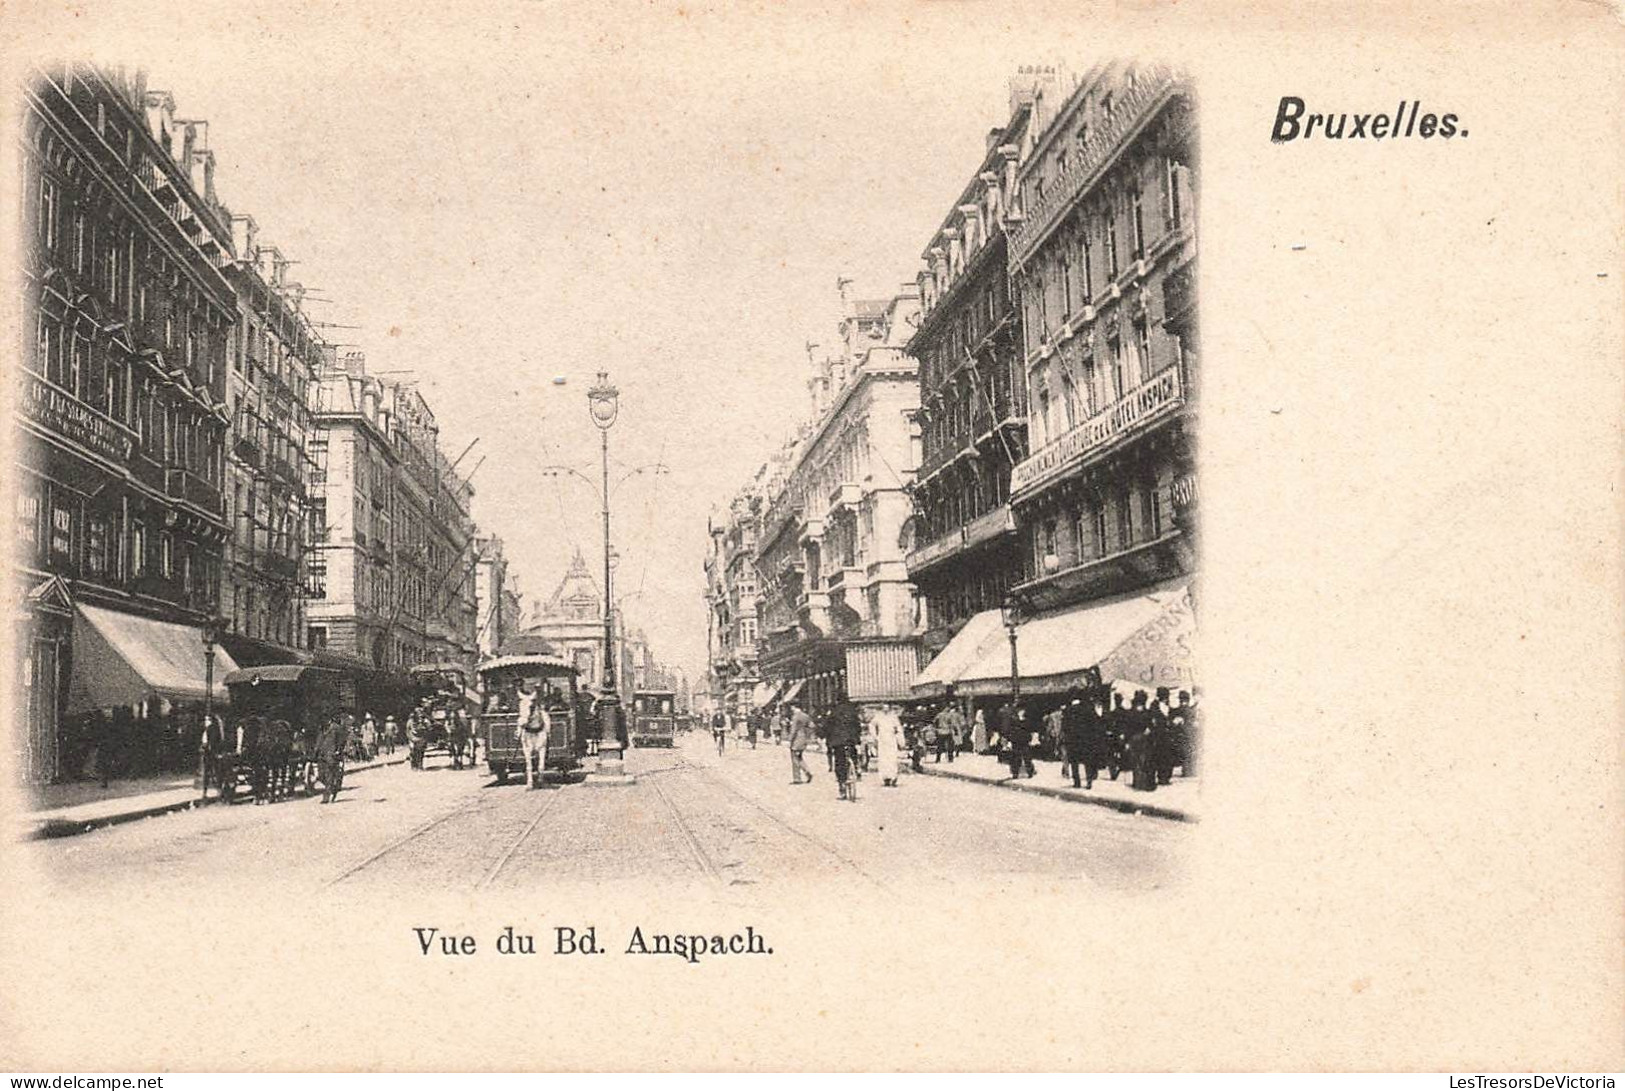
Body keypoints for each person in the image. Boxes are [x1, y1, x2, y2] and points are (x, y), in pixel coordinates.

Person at [827, 697, 863, 801]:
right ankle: (856, 769)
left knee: (839, 762)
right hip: (851, 740)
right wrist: (857, 740)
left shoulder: (834, 712)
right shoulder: (852, 712)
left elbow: (828, 727)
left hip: (838, 742)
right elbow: (857, 726)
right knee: (853, 754)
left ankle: (841, 785)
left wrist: (828, 740)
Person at [314, 714, 349, 804]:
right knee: (321, 776)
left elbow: (342, 740)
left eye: (324, 719)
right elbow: (318, 741)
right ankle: (333, 787)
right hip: (322, 755)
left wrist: (338, 750)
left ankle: (326, 797)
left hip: (332, 755)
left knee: (329, 775)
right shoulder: (322, 729)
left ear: (328, 719)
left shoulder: (336, 728)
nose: (323, 721)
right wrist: (316, 751)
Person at [1000, 700, 1034, 779]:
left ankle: (1029, 772)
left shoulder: (1026, 719)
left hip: (1025, 740)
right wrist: (1009, 738)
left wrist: (1029, 737)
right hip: (1016, 740)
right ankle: (1015, 772)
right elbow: (1010, 729)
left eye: (1023, 710)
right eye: (1021, 710)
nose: (1022, 712)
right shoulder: (1013, 719)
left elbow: (1029, 729)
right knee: (1016, 757)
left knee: (1027, 757)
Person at [873, 703, 903, 787]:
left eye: (887, 708)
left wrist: (900, 739)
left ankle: (893, 777)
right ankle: (885, 778)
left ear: (889, 709)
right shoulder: (878, 717)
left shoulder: (893, 717)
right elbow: (871, 725)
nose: (885, 710)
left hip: (891, 739)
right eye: (884, 708)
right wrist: (875, 736)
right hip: (882, 740)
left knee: (892, 758)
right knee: (883, 759)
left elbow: (898, 728)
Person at [787, 702, 815, 784]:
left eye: (791, 707)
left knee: (795, 758)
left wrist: (790, 740)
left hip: (796, 740)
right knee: (799, 757)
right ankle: (807, 771)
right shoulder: (805, 716)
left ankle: (797, 778)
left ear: (794, 706)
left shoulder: (795, 716)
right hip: (803, 739)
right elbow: (812, 726)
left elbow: (793, 730)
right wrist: (808, 736)